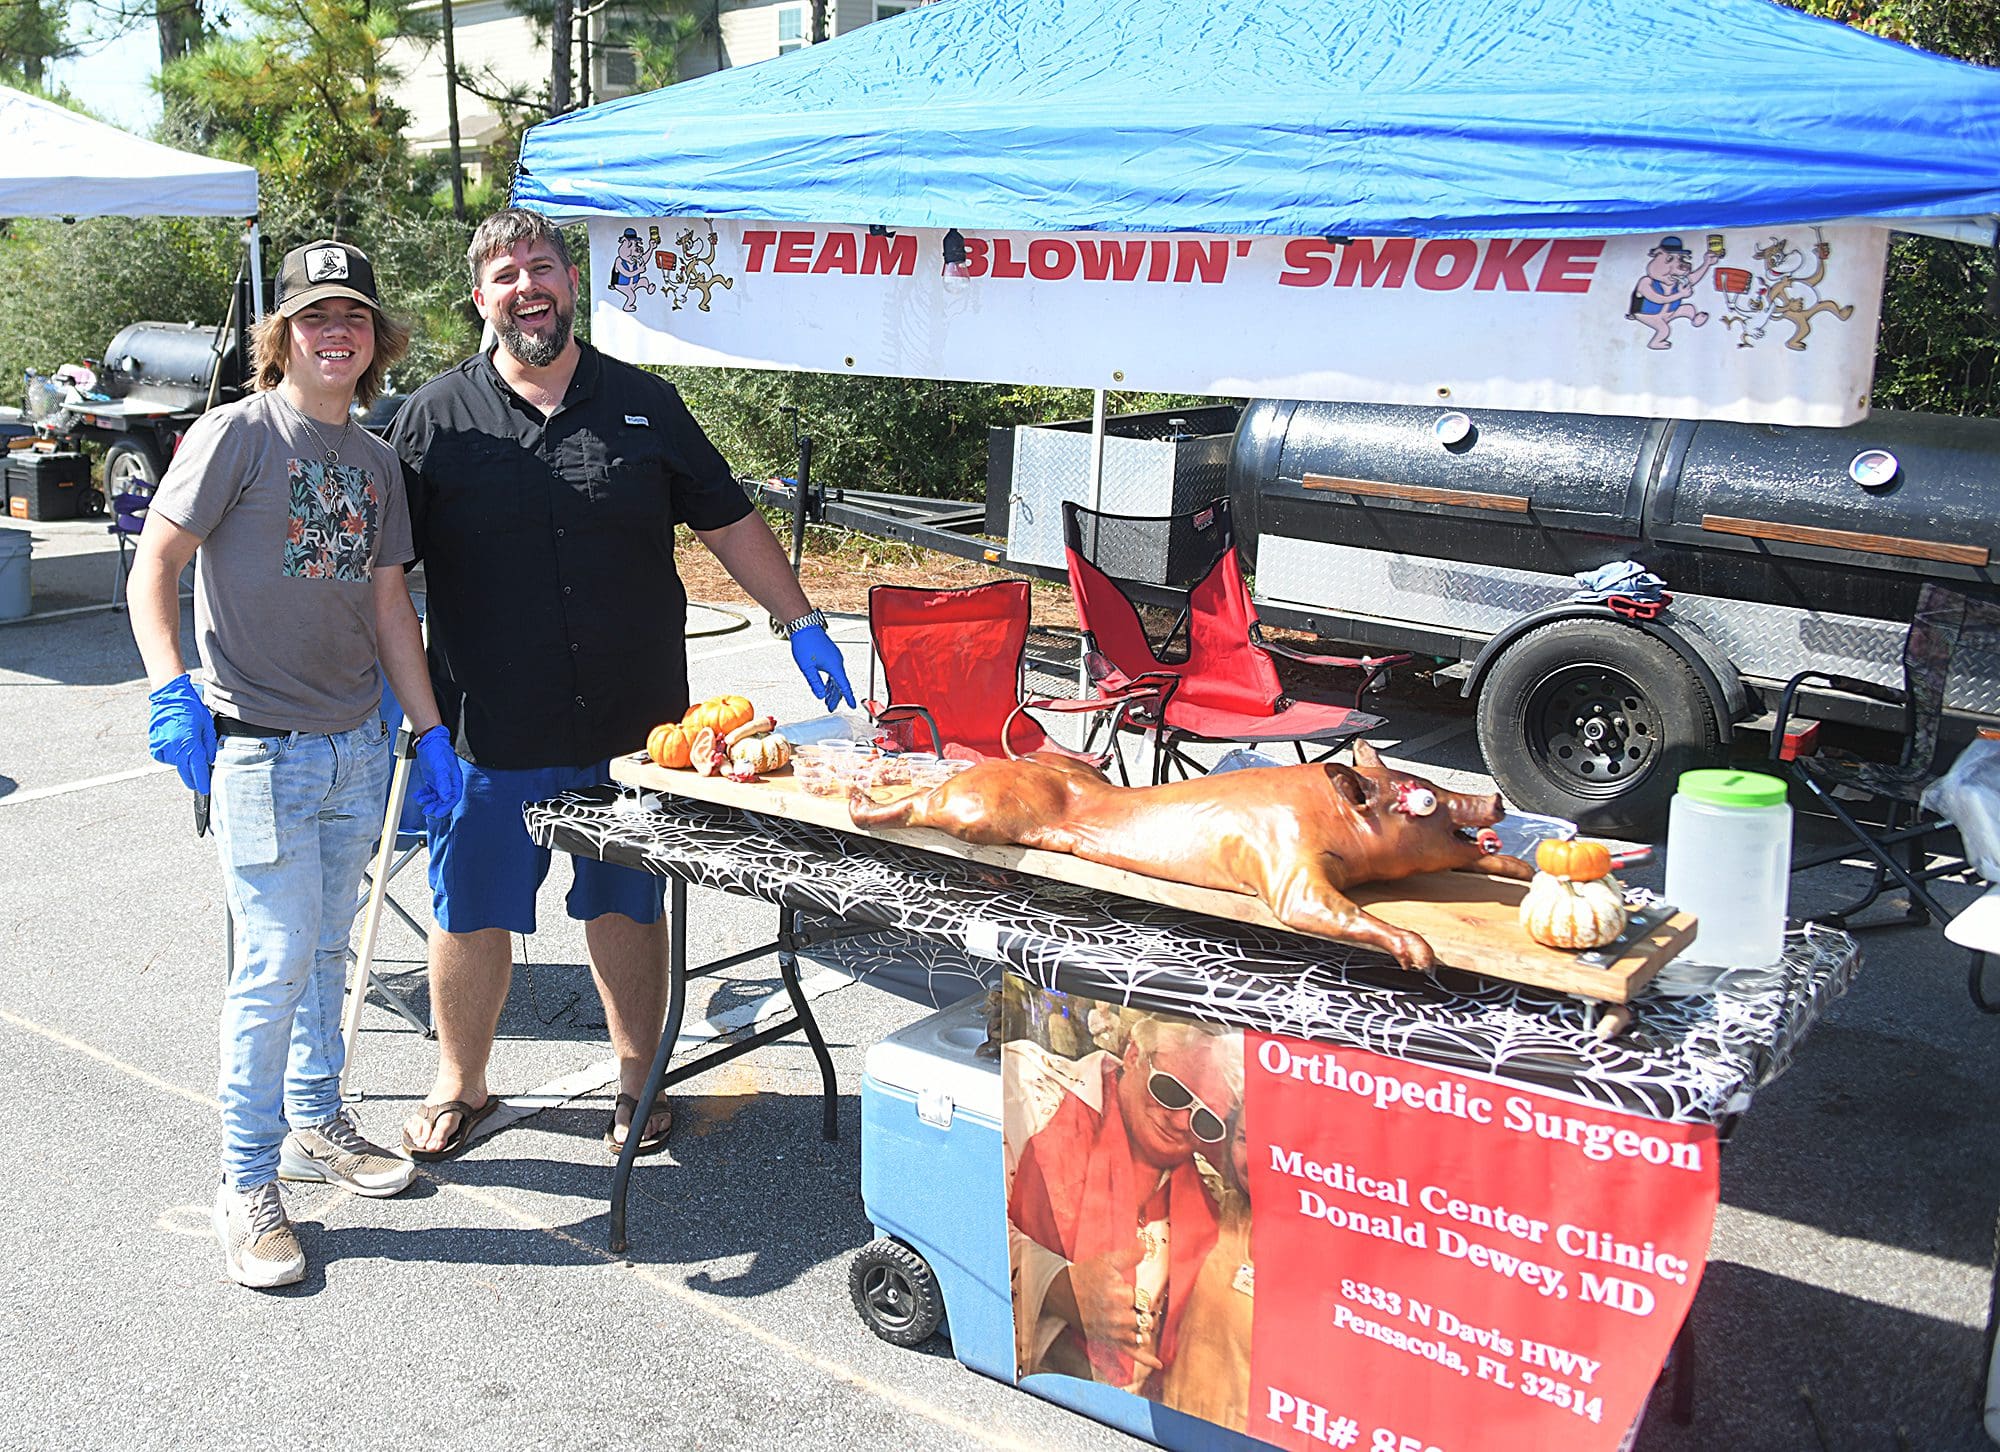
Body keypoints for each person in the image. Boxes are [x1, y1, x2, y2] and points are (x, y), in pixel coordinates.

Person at [391, 207, 854, 1163]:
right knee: (470, 910)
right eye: (507, 275)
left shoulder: (647, 404)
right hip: (487, 729)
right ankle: (460, 1082)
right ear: (480, 299)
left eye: (543, 267)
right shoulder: (433, 419)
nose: (528, 287)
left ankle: (640, 1081)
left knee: (627, 908)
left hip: (636, 735)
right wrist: (404, 711)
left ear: (573, 283)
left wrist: (801, 620)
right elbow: (379, 575)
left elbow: (729, 521)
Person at [130, 239, 464, 1290]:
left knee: (328, 953)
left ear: (376, 341)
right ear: (282, 337)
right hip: (258, 752)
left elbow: (387, 604)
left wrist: (430, 729)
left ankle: (319, 1119)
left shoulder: (374, 460)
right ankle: (245, 1182)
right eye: (315, 316)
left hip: (355, 746)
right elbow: (154, 566)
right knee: (273, 964)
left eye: (353, 317)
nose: (336, 333)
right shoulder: (236, 433)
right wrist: (170, 689)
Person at [1007, 1016, 1242, 1394]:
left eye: (1205, 1120)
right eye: (1171, 1091)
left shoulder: (1213, 1201)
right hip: (1022, 1386)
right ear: (1133, 1055)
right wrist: (1056, 1285)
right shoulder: (1027, 1088)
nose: (1181, 1122)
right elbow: (961, 1213)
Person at [1158, 1104, 1254, 1430]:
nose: (1252, 1158)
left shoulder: (1315, 1252)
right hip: (1166, 1422)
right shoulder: (1214, 1207)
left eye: (1272, 1144)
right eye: (1244, 1139)